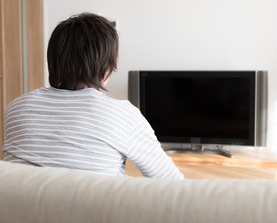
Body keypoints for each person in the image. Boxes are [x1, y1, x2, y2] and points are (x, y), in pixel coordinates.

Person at [3, 12, 184, 179]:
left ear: (53, 61)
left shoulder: (16, 108)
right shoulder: (124, 115)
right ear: (106, 69)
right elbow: (171, 183)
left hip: (16, 213)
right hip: (92, 213)